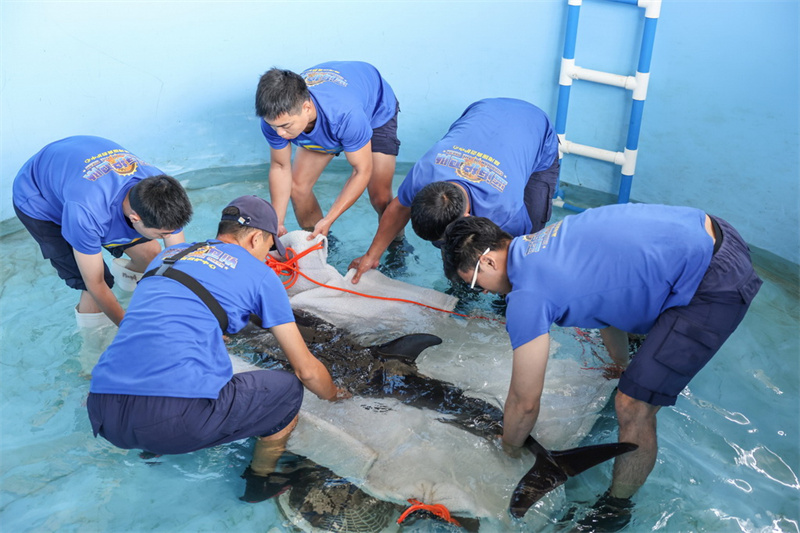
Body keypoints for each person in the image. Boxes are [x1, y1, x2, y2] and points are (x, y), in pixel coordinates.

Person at [439, 204, 762, 528]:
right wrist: (621, 365)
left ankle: (616, 510)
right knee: (632, 380)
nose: (482, 292)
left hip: (714, 283)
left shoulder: (527, 296)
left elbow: (524, 403)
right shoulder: (549, 239)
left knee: (632, 405)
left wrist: (509, 447)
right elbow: (606, 301)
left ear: (489, 261)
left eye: (475, 284)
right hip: (717, 232)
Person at [87, 195, 350, 502]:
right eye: (268, 249)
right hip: (174, 422)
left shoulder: (169, 254)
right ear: (255, 238)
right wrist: (336, 396)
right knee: (288, 390)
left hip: (103, 410)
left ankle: (151, 446)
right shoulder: (262, 276)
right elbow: (306, 370)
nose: (268, 259)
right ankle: (261, 479)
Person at [349, 97, 559, 284]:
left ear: (468, 215)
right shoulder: (425, 173)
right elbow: (397, 209)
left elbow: (520, 250)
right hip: (482, 111)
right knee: (454, 248)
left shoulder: (503, 210)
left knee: (532, 232)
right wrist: (371, 256)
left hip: (534, 128)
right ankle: (460, 283)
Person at [12, 135, 193, 327]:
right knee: (95, 284)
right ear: (135, 218)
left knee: (153, 257)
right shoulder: (86, 213)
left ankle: (126, 279)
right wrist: (131, 331)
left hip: (78, 166)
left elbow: (174, 262)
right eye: (163, 234)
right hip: (40, 199)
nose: (168, 237)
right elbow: (95, 284)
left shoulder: (162, 190)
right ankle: (92, 345)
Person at [255, 60, 400, 240]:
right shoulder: (274, 119)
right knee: (298, 187)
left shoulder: (346, 116)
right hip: (333, 112)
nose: (279, 133)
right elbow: (280, 166)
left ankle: (397, 246)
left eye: (285, 126)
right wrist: (277, 222)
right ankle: (322, 244)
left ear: (306, 108)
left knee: (380, 197)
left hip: (376, 107)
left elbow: (361, 171)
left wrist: (329, 218)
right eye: (274, 126)